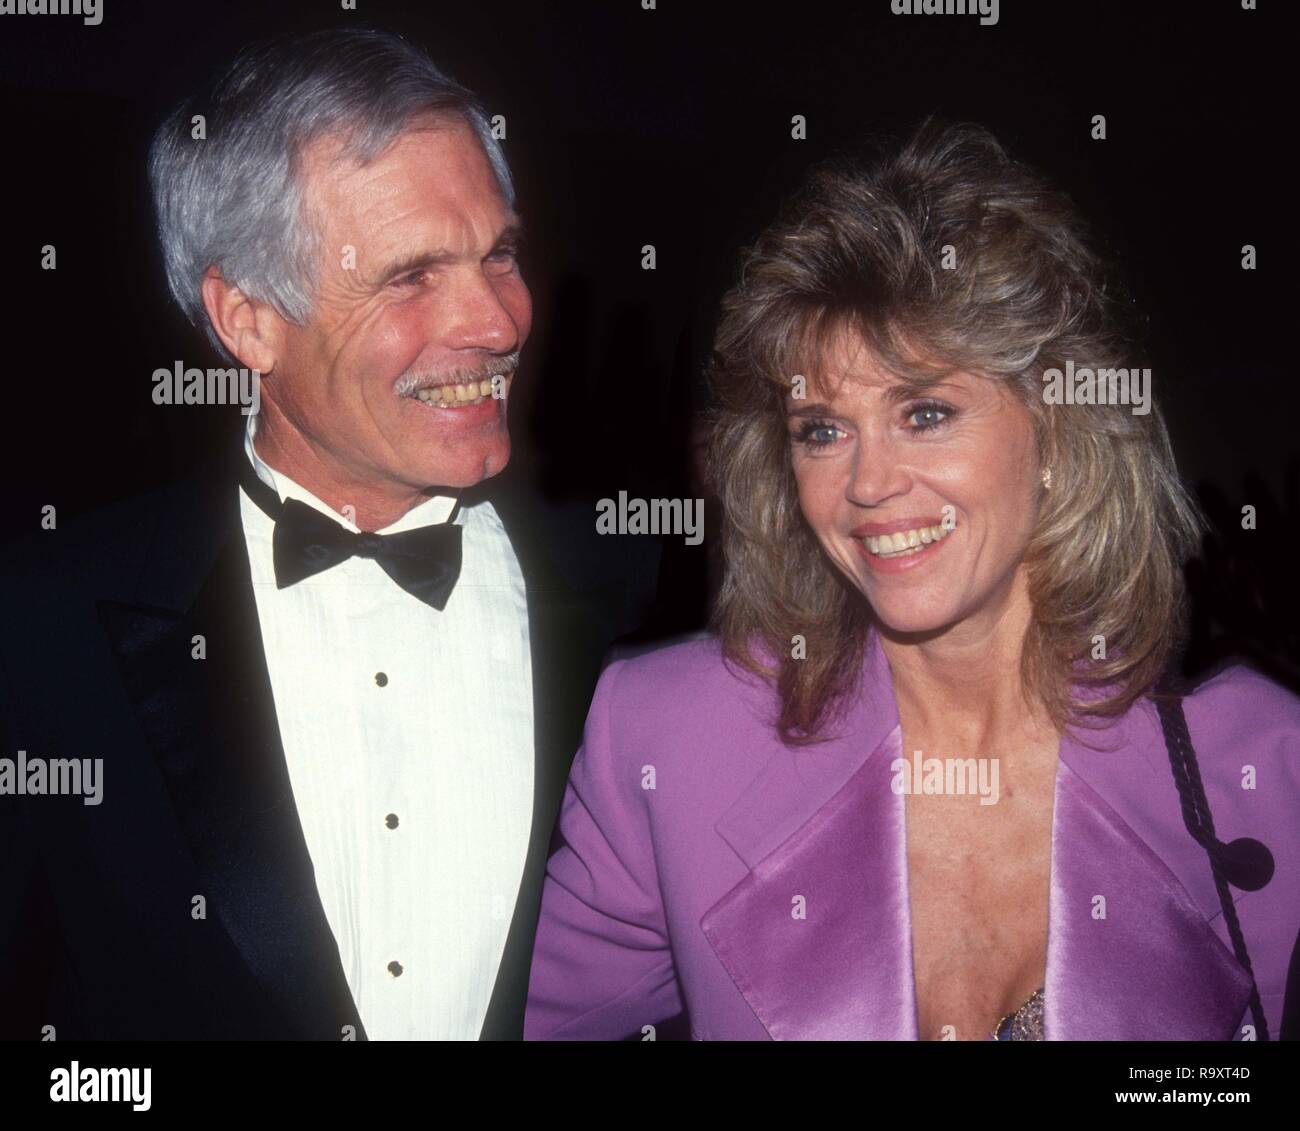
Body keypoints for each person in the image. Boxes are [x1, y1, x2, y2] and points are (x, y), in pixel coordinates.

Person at [524, 120, 1300, 1041]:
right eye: (822, 428)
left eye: (924, 411)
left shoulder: (1261, 766)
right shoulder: (661, 738)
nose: (867, 483)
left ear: (1058, 431)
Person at [0, 27, 656, 1041]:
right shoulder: (44, 627)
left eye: (499, 254)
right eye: (411, 276)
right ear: (247, 319)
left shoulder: (645, 598)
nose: (497, 320)